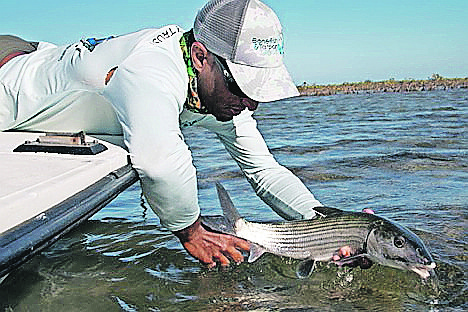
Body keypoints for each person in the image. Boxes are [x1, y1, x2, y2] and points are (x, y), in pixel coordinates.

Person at [0, 0, 323, 268]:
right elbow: (159, 163)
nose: (250, 103)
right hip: (7, 73)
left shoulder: (218, 95)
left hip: (38, 54)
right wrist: (191, 232)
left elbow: (264, 171)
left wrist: (328, 224)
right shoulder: (150, 68)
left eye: (259, 91)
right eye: (241, 86)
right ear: (200, 57)